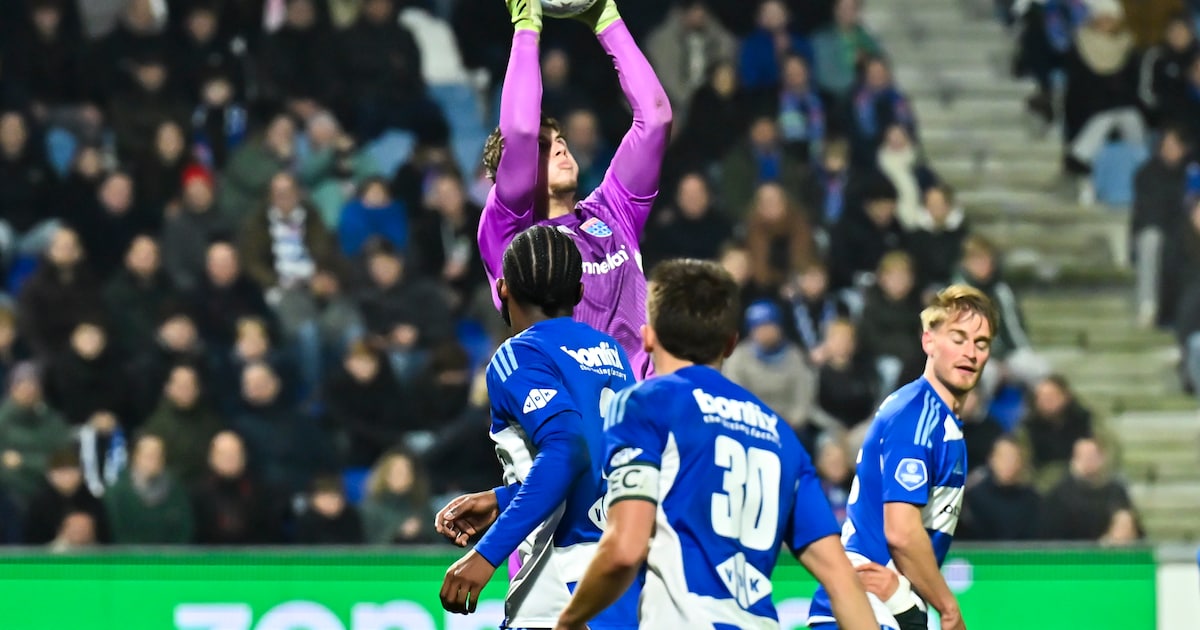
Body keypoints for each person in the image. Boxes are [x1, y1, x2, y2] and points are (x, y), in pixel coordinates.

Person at [554, 259, 876, 630]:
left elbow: (625, 548)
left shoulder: (646, 403)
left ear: (647, 337)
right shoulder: (780, 436)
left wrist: (569, 622)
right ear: (732, 342)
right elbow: (842, 579)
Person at [436, 226, 639, 628]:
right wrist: (502, 498)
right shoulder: (612, 353)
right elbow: (597, 465)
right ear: (580, 294)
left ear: (503, 289)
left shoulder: (518, 355)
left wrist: (485, 554)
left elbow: (568, 450)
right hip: (625, 583)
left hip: (561, 585)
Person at [477, 0, 672, 379]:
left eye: (560, 139)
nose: (561, 146)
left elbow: (656, 119)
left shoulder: (613, 211)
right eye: (544, 147)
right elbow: (519, 132)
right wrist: (526, 27)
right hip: (570, 416)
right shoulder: (511, 233)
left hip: (640, 413)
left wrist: (607, 21)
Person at [808, 285, 999, 630]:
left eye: (981, 343)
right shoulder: (917, 417)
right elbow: (901, 531)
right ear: (929, 341)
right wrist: (948, 607)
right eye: (958, 338)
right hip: (867, 605)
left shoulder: (940, 420)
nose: (970, 352)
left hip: (889, 605)